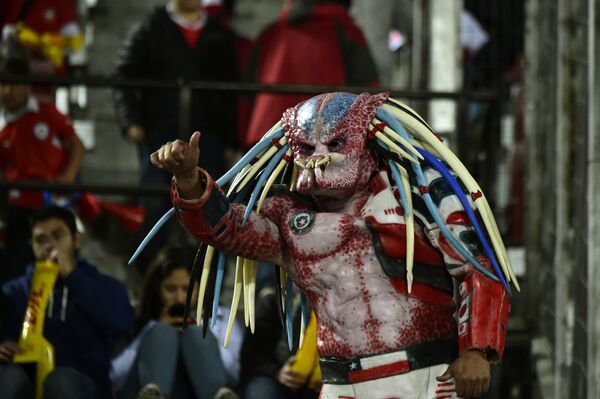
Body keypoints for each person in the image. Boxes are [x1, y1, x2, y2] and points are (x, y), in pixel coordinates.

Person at [148, 91, 515, 398]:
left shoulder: (419, 190)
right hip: (342, 382)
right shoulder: (287, 216)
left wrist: (477, 349)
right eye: (308, 147)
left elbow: (477, 265)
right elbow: (225, 229)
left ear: (364, 136)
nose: (321, 155)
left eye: (336, 142)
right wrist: (189, 180)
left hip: (425, 372)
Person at [112, 0, 239, 269]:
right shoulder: (149, 28)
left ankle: (210, 279)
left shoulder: (219, 34)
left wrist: (229, 139)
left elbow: (230, 91)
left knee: (212, 206)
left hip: (207, 137)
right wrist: (130, 120)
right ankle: (148, 276)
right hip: (160, 133)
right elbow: (123, 76)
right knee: (155, 206)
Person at [0, 205, 134, 398]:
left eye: (58, 236)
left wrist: (73, 276)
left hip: (84, 381)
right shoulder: (14, 291)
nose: (50, 246)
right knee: (8, 377)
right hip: (26, 378)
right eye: (41, 240)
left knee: (60, 380)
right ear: (31, 245)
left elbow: (120, 324)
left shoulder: (106, 285)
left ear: (76, 240)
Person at [0, 41, 85, 283]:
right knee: (15, 272)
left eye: (14, 84)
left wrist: (68, 176)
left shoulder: (46, 111)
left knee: (61, 271)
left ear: (27, 86)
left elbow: (76, 144)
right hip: (19, 209)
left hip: (53, 204)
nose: (8, 90)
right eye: (3, 83)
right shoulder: (1, 127)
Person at [242, 0, 379, 149]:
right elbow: (368, 91)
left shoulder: (270, 33)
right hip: (324, 141)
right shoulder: (346, 31)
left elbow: (246, 93)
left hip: (270, 137)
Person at [111, 246, 242, 399]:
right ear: (157, 288)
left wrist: (201, 337)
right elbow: (115, 377)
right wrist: (152, 331)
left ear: (200, 287)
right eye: (170, 289)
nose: (180, 298)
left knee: (196, 334)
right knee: (162, 333)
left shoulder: (220, 317)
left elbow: (236, 375)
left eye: (187, 289)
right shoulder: (136, 316)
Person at [240, 285, 318, 399]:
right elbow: (250, 357)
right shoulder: (271, 301)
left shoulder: (336, 308)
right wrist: (277, 372)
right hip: (272, 379)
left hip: (316, 386)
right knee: (261, 392)